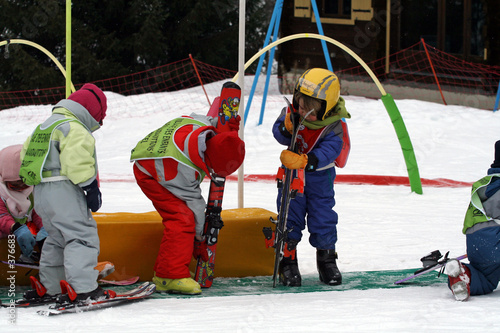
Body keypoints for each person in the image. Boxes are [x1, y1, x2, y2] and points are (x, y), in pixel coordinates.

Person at [19, 83, 114, 303]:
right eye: (99, 117)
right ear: (91, 112)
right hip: (64, 190)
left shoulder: (43, 128)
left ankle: (51, 287)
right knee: (81, 236)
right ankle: (83, 289)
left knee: (56, 238)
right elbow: (77, 160)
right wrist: (90, 186)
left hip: (41, 191)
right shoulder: (73, 127)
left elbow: (26, 158)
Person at [131, 113, 244, 295]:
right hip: (150, 173)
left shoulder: (201, 127)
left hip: (156, 157)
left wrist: (223, 127)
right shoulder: (185, 169)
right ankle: (168, 276)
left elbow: (208, 117)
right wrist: (200, 240)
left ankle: (169, 266)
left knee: (184, 217)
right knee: (182, 218)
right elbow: (196, 207)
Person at [272, 68, 351, 287]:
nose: (303, 111)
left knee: (323, 218)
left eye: (310, 109)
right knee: (290, 217)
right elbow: (277, 131)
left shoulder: (333, 125)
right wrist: (286, 128)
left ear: (326, 109)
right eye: (300, 104)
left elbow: (332, 150)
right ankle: (287, 261)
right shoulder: (292, 113)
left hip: (320, 181)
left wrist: (308, 161)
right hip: (292, 180)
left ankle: (326, 259)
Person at [445, 140, 500, 301]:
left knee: (485, 280)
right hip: (496, 239)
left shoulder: (486, 186)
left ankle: (464, 275)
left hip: (479, 244)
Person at [0, 144, 47, 260]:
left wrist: (45, 227)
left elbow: (37, 210)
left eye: (24, 183)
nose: (21, 187)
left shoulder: (32, 190)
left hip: (20, 229)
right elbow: (1, 215)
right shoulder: (1, 192)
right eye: (15, 185)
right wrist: (15, 227)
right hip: (7, 231)